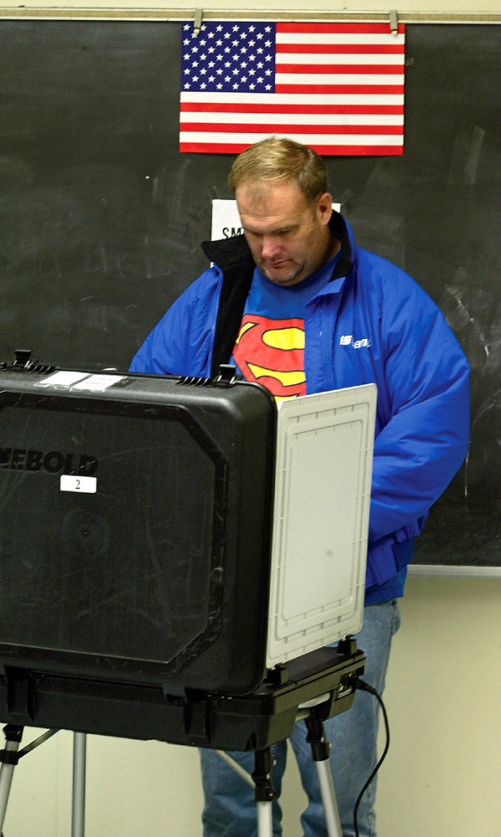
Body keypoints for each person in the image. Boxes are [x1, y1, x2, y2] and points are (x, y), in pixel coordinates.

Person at [129, 137, 470, 836]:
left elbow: (432, 433)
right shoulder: (214, 298)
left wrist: (318, 525)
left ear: (323, 209)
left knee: (338, 808)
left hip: (347, 589)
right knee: (230, 804)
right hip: (227, 593)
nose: (269, 250)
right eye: (253, 234)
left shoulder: (391, 303)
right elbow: (148, 408)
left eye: (283, 231)